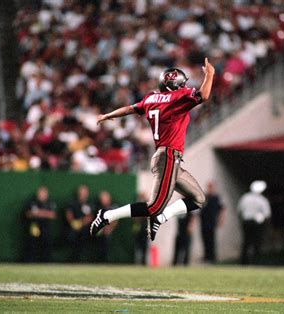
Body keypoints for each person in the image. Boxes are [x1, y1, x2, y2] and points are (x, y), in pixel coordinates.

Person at [90, 58, 215, 241]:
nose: (184, 87)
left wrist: (109, 114)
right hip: (168, 156)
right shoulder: (176, 97)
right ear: (175, 85)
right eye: (182, 84)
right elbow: (203, 95)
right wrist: (210, 74)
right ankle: (107, 216)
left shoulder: (151, 98)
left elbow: (131, 109)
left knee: (198, 198)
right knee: (154, 206)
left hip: (168, 157)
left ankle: (160, 218)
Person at [237, 181, 271, 264]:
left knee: (246, 242)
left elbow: (239, 210)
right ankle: (256, 261)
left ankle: (244, 262)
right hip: (257, 224)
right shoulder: (262, 200)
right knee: (257, 242)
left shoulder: (245, 198)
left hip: (246, 222)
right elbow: (267, 214)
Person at [24, 186, 56, 263]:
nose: (42, 195)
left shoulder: (50, 203)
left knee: (47, 243)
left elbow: (52, 214)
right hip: (35, 227)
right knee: (32, 243)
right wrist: (44, 213)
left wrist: (38, 213)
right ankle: (31, 261)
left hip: (46, 228)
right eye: (41, 193)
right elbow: (28, 214)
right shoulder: (32, 203)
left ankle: (46, 261)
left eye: (44, 193)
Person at [65, 185, 94, 262]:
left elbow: (90, 217)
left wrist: (81, 223)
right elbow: (69, 215)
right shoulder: (72, 203)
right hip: (73, 228)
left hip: (86, 229)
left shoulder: (89, 204)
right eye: (82, 192)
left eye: (85, 192)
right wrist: (74, 224)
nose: (83, 194)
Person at [200, 181, 225, 264]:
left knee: (212, 240)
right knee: (205, 239)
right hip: (204, 222)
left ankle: (212, 257)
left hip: (212, 222)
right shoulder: (204, 197)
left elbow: (222, 209)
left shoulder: (216, 198)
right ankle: (206, 257)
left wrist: (221, 219)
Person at [93, 191, 118, 263]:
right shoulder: (98, 207)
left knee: (106, 240)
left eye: (105, 198)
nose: (103, 200)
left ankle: (106, 261)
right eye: (102, 199)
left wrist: (109, 228)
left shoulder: (113, 206)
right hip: (99, 229)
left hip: (109, 230)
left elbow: (115, 220)